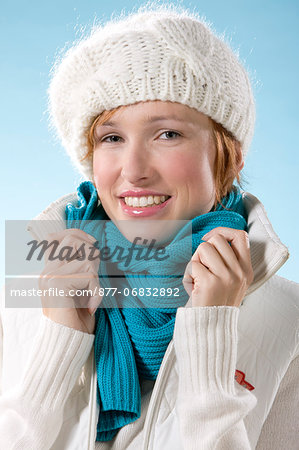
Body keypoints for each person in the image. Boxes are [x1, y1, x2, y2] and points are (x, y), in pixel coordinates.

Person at [0, 4, 298, 449]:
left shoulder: (289, 319)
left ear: (230, 158)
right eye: (112, 138)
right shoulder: (21, 292)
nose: (133, 170)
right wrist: (60, 343)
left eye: (167, 134)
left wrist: (211, 333)